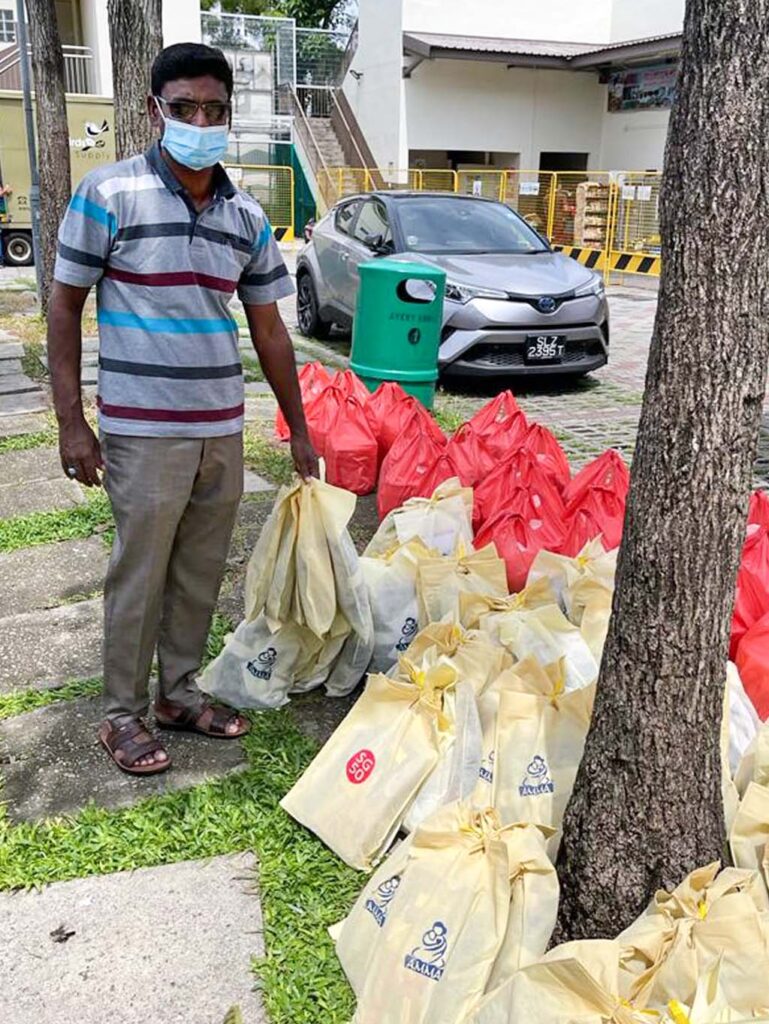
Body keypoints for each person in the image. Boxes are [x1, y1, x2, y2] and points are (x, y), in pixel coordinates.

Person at [48, 42, 318, 777]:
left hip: (219, 428)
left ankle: (176, 694)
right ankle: (119, 715)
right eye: (185, 108)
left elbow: (269, 328)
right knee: (139, 574)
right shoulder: (106, 194)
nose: (201, 120)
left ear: (230, 114)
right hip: (141, 431)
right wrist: (72, 421)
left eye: (215, 109)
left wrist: (297, 426)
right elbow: (64, 306)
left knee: (200, 572)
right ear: (153, 111)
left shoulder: (246, 215)